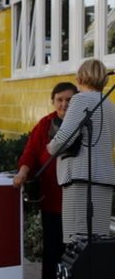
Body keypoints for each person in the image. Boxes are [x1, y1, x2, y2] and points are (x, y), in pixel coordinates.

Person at [12, 82, 77, 279]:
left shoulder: (82, 123)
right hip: (52, 198)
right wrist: (23, 172)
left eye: (69, 100)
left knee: (74, 249)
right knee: (52, 249)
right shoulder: (46, 124)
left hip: (75, 198)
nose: (64, 104)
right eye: (60, 100)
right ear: (53, 101)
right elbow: (30, 152)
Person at [47, 59, 115, 243]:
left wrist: (50, 147)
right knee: (98, 241)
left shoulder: (80, 100)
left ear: (80, 78)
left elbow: (63, 138)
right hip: (105, 180)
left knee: (77, 243)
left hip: (81, 179)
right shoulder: (110, 105)